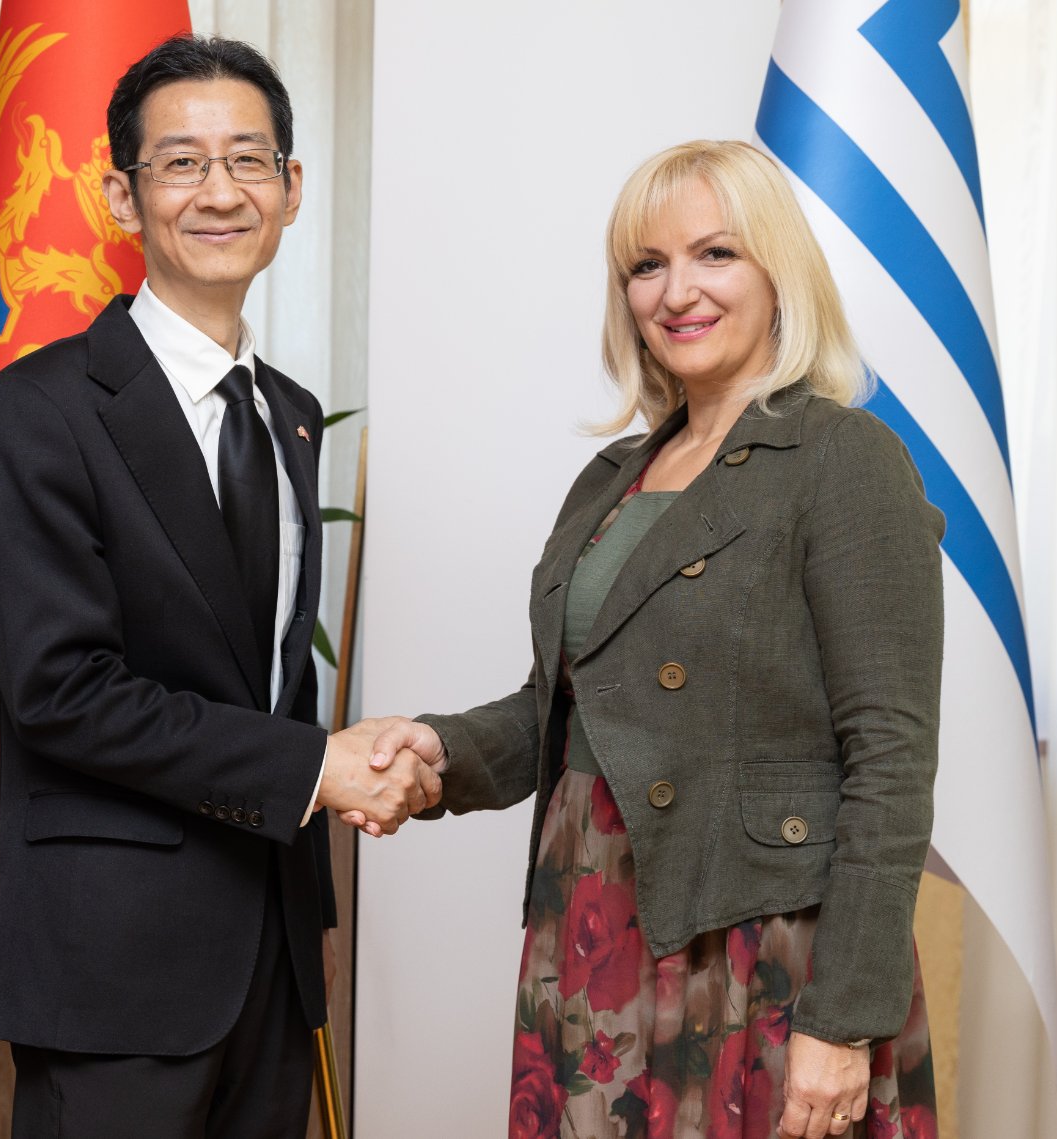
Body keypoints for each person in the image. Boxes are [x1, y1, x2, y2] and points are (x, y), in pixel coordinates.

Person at [366, 140, 944, 1139]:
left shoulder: (845, 457)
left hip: (757, 940)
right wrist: (437, 750)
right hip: (593, 907)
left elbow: (890, 757)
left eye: (715, 253)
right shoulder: (614, 476)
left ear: (778, 273)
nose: (677, 291)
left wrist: (844, 1016)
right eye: (646, 264)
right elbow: (573, 706)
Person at [0, 35, 438, 1139]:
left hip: (270, 957)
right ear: (121, 195)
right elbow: (62, 692)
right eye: (181, 163)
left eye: (249, 160)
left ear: (291, 188)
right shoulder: (34, 412)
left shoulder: (290, 413)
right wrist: (316, 767)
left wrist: (310, 913)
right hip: (112, 965)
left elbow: (268, 682)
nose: (220, 192)